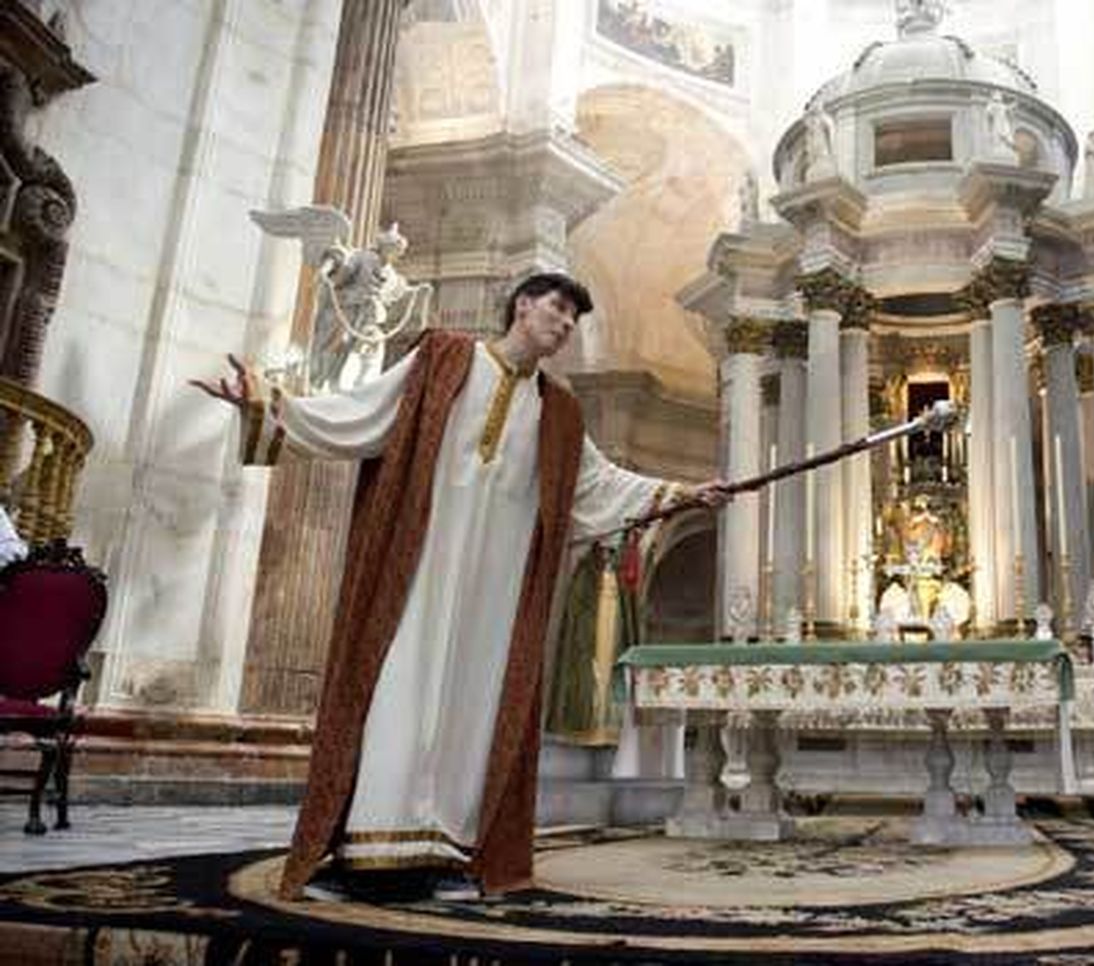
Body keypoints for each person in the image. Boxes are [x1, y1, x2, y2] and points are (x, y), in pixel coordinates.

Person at [193, 272, 728, 902]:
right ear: (522, 305)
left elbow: (601, 485)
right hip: (419, 567)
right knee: (397, 689)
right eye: (557, 308)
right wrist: (270, 405)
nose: (564, 324)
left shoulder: (558, 413)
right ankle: (367, 850)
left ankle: (442, 850)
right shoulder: (445, 358)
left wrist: (682, 493)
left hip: (495, 595)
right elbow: (367, 411)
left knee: (474, 710)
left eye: (573, 319)